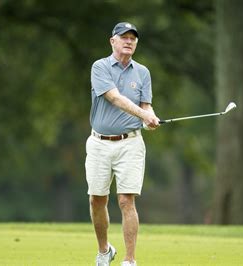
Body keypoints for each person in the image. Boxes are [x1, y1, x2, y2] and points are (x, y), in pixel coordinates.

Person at [86, 22, 160, 266]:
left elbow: (146, 106)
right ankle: (104, 250)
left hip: (130, 144)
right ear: (112, 41)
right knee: (97, 199)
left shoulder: (143, 73)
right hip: (99, 143)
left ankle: (129, 260)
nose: (129, 41)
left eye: (133, 38)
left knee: (127, 200)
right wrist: (143, 115)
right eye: (124, 37)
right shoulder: (100, 67)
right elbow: (114, 97)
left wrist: (149, 117)